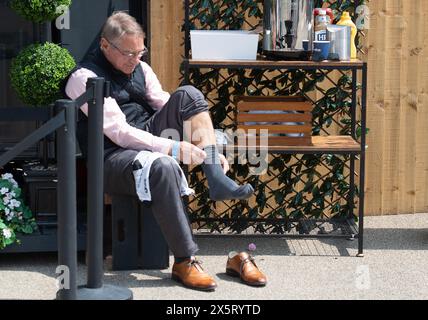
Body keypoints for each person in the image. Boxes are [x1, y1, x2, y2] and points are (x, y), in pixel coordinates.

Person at [65, 11, 266, 291]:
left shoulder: (141, 68)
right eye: (128, 53)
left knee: (189, 95)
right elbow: (120, 133)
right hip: (111, 158)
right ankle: (185, 261)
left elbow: (165, 104)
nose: (136, 59)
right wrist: (173, 147)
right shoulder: (84, 78)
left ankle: (215, 176)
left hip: (146, 133)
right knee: (163, 165)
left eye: (140, 52)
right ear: (104, 46)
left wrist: (206, 146)